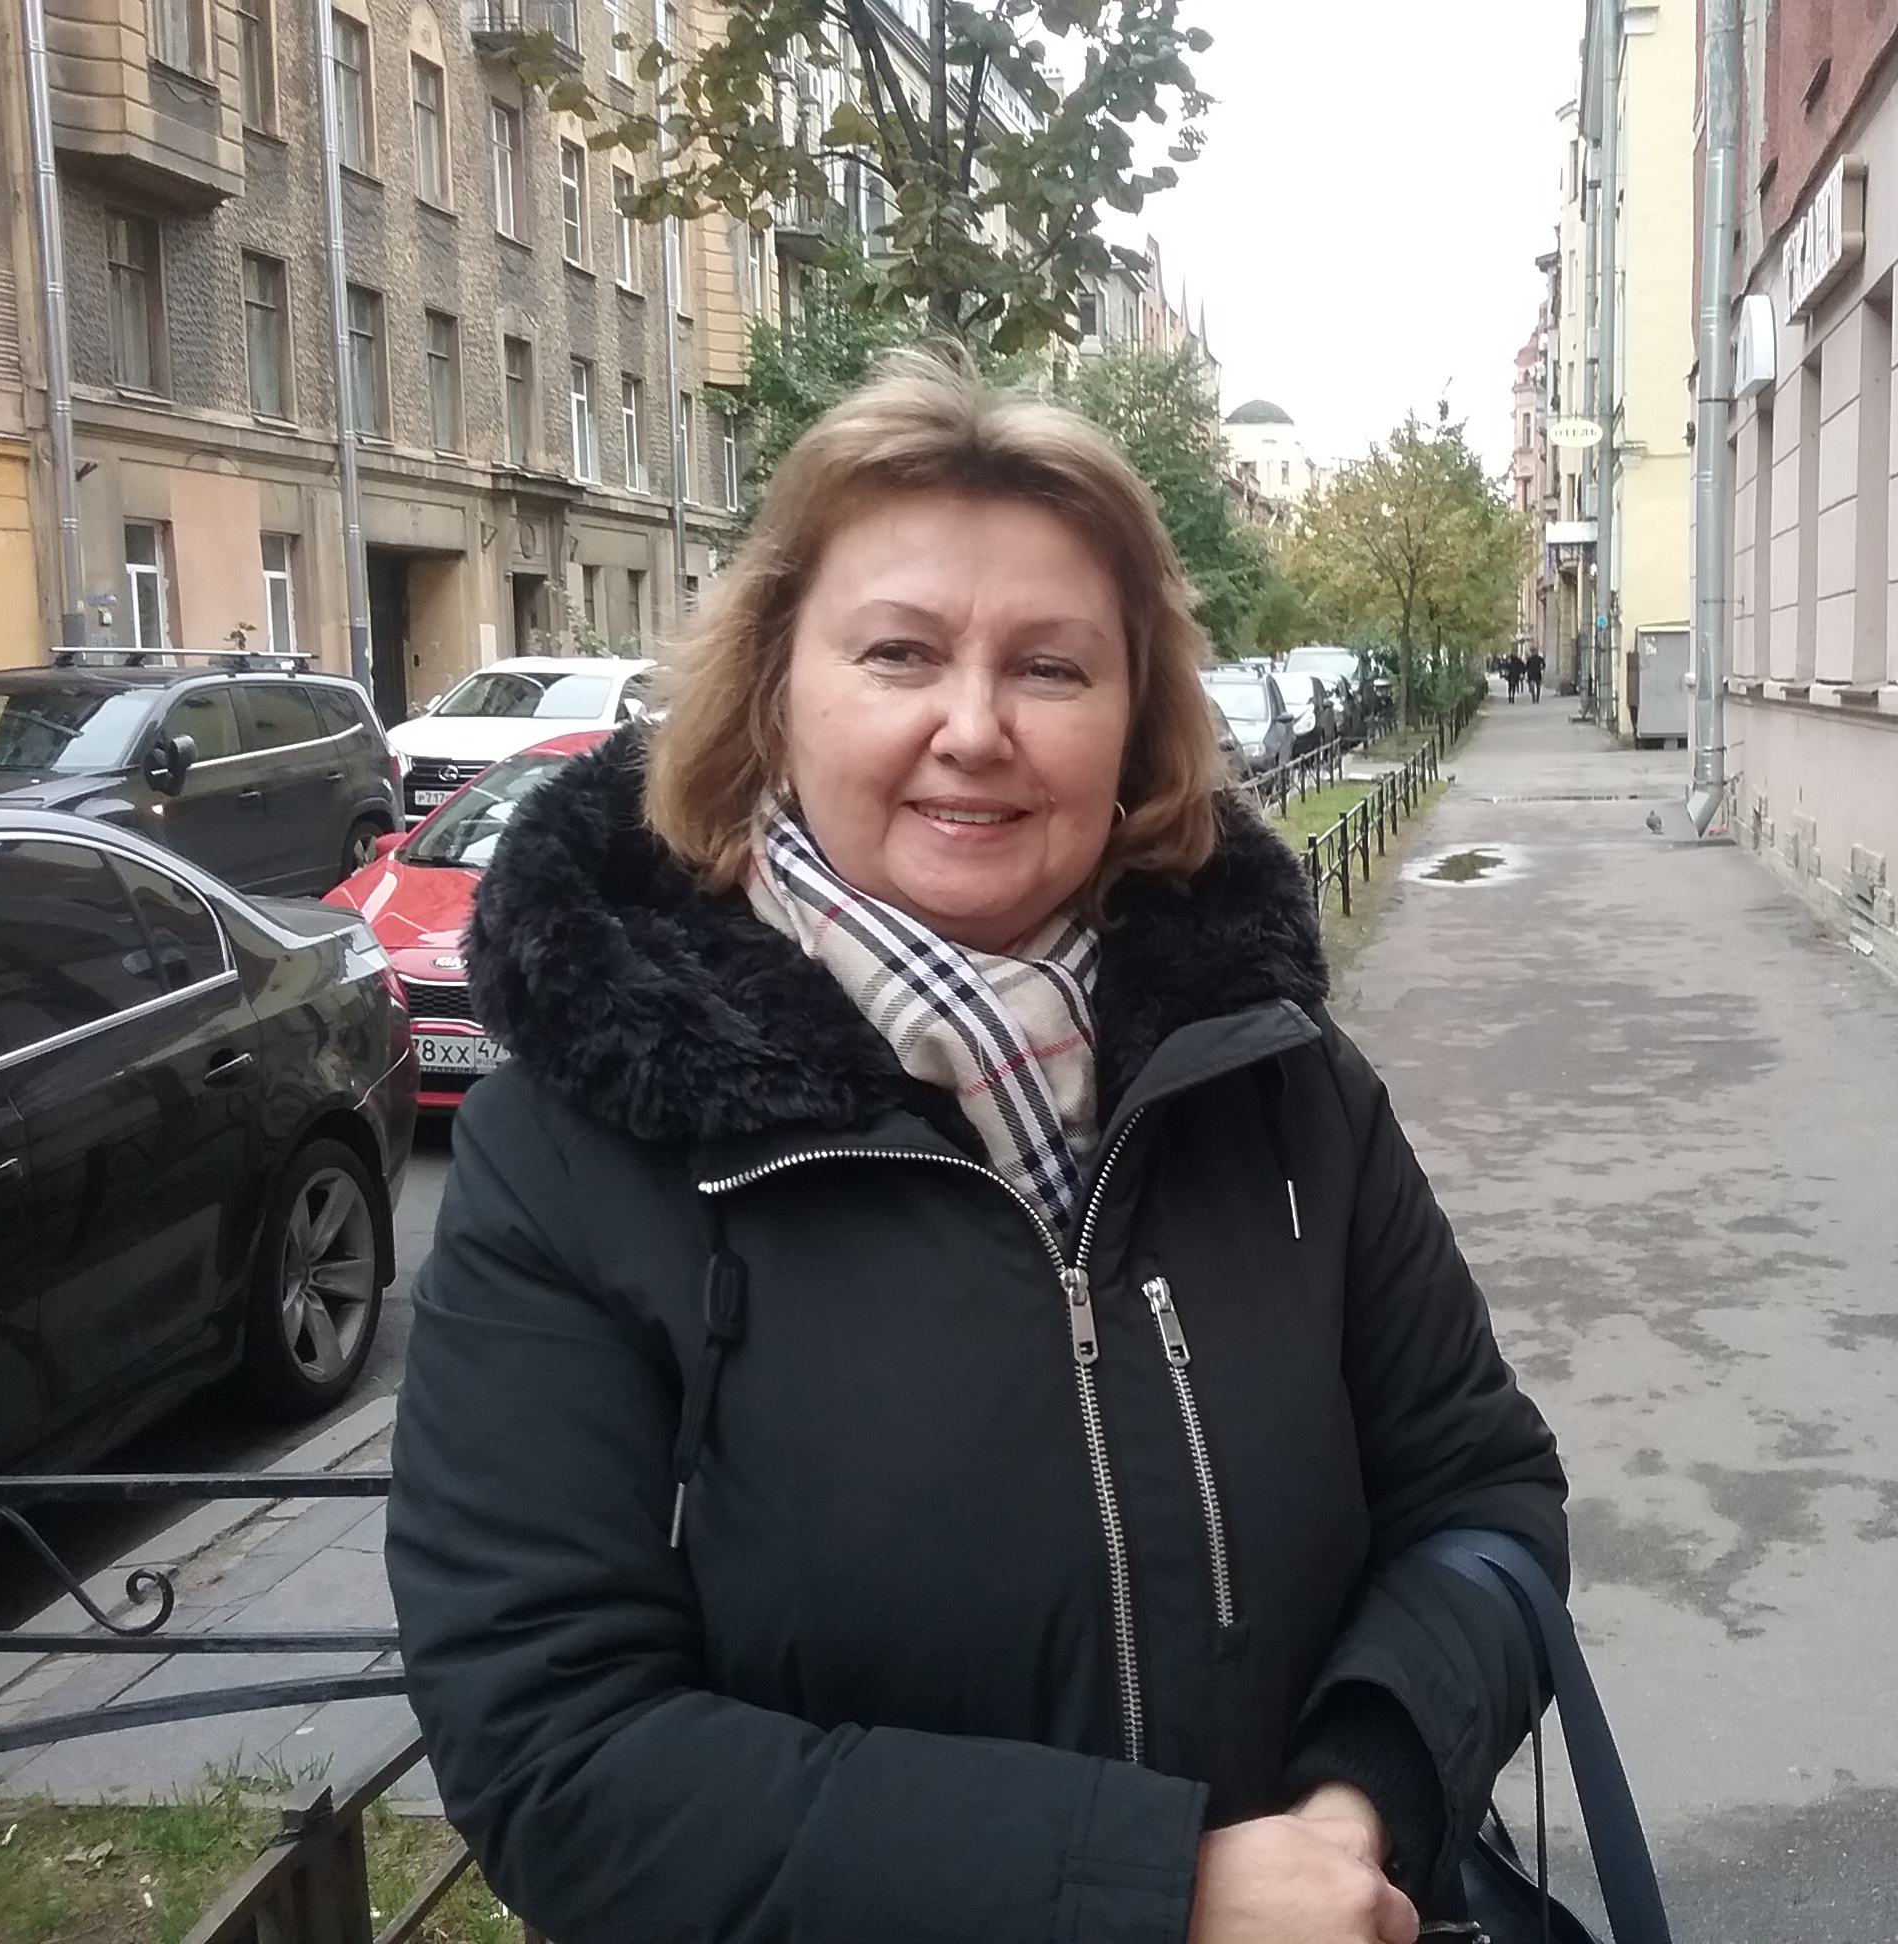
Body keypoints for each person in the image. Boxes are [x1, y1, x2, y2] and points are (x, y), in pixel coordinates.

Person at [386, 349, 1567, 1944]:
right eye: (899, 653)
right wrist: (1166, 1898)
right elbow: (558, 1753)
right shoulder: (574, 1158)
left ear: (1135, 724)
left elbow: (1482, 1498)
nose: (976, 728)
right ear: (774, 693)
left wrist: (1356, 1814)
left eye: (1052, 668)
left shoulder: (1281, 1086)